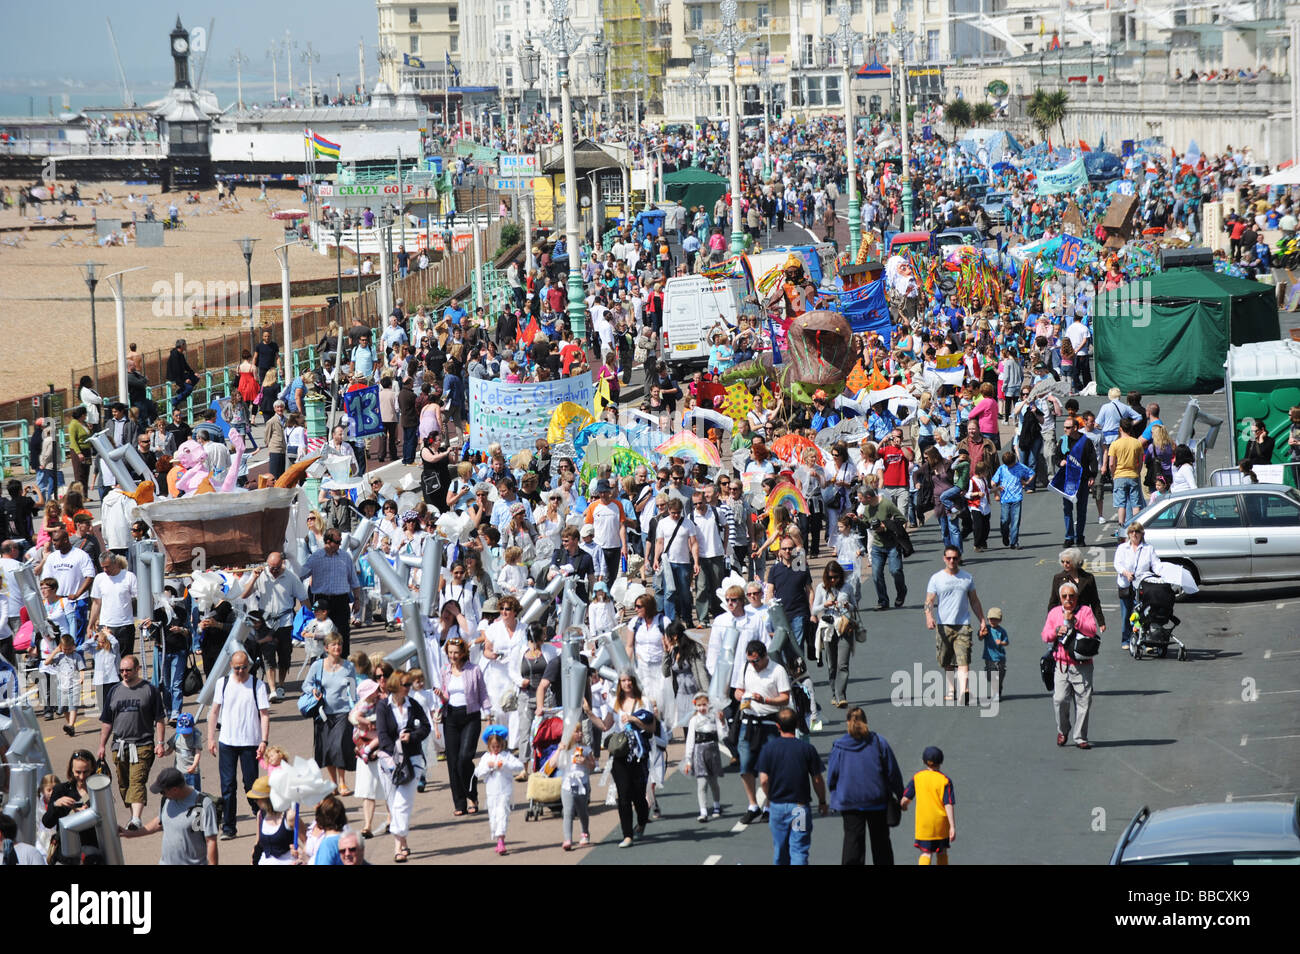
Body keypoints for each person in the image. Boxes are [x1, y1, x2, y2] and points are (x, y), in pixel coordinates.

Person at [97, 655, 168, 830]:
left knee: (137, 781)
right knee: (124, 784)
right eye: (121, 670)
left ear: (137, 669)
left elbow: (159, 719)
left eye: (128, 670)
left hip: (142, 745)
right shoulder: (114, 691)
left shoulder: (149, 690)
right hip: (119, 746)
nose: (124, 673)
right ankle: (133, 815)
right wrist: (101, 745)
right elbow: (107, 721)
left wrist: (160, 742)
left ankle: (136, 818)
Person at [827, 706, 904, 866]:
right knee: (881, 844)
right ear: (866, 722)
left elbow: (832, 775)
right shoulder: (878, 742)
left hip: (849, 801)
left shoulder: (839, 746)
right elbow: (892, 772)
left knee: (852, 843)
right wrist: (901, 794)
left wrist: (835, 794)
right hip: (876, 801)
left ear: (847, 722)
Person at [206, 650, 271, 839]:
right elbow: (214, 712)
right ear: (231, 667)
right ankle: (229, 828)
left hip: (250, 742)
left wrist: (264, 740)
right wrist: (210, 738)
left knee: (250, 785)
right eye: (237, 668)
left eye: (244, 667)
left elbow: (264, 714)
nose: (241, 671)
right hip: (227, 742)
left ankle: (261, 816)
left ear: (248, 666)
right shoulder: (223, 683)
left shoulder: (257, 685)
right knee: (227, 786)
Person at [756, 706, 828, 866]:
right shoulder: (806, 749)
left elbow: (763, 781)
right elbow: (817, 779)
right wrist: (822, 801)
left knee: (780, 850)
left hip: (778, 807)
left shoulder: (768, 749)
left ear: (778, 726)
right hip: (799, 808)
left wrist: (770, 797)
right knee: (799, 850)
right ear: (796, 725)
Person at [732, 640, 791, 825]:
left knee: (770, 768)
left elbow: (785, 697)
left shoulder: (777, 670)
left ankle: (769, 805)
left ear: (764, 656)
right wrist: (740, 695)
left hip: (770, 723)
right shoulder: (745, 668)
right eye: (750, 661)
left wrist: (764, 699)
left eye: (756, 661)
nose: (753, 665)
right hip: (748, 722)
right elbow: (738, 690)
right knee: (745, 766)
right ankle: (752, 805)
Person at [924, 546, 991, 705]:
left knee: (963, 659)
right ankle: (950, 690)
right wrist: (929, 616)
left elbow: (974, 601)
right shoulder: (936, 578)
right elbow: (929, 601)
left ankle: (963, 692)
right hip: (943, 625)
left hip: (963, 625)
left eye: (955, 558)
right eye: (949, 558)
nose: (952, 561)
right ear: (944, 559)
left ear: (959, 558)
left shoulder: (967, 578)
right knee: (947, 661)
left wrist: (982, 620)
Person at [376, 669, 430, 862]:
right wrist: (396, 751)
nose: (409, 688)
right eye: (406, 684)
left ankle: (397, 846)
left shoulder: (413, 704)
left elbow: (426, 727)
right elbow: (382, 736)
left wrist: (411, 737)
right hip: (389, 761)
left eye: (410, 684)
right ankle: (404, 841)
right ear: (395, 686)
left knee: (403, 802)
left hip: (413, 759)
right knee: (393, 804)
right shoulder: (383, 707)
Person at [434, 637, 490, 816]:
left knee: (464, 758)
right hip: (451, 717)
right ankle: (459, 802)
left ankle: (472, 796)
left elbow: (483, 693)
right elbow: (445, 696)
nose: (453, 656)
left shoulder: (474, 670)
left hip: (470, 716)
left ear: (463, 653)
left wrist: (488, 715)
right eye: (450, 653)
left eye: (456, 653)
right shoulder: (445, 671)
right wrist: (440, 697)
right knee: (452, 762)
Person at [119, 767, 219, 865]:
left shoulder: (201, 805)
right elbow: (159, 823)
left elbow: (210, 841)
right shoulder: (167, 800)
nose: (162, 795)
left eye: (163, 792)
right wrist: (130, 833)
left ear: (175, 790)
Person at [1042, 581, 1098, 748]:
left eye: (1072, 596)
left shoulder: (1085, 611)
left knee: (1084, 701)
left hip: (1082, 664)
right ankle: (1063, 729)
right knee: (1059, 699)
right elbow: (1045, 635)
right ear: (1060, 598)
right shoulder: (1054, 613)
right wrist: (1055, 631)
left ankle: (1080, 737)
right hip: (1062, 664)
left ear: (1077, 597)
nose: (1068, 599)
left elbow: (1092, 630)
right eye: (1065, 596)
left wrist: (1076, 621)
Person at [302, 633, 358, 795]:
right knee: (326, 750)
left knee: (339, 746)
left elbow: (353, 691)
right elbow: (306, 685)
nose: (337, 647)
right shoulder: (317, 666)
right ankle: (333, 783)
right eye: (333, 644)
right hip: (323, 714)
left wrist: (356, 708)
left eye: (339, 644)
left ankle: (342, 783)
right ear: (326, 648)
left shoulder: (349, 666)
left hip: (343, 713)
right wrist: (313, 691)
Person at [301, 529, 363, 656]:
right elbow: (301, 575)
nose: (340, 544)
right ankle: (322, 663)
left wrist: (357, 600)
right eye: (337, 542)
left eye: (340, 541)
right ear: (328, 542)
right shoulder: (316, 557)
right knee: (322, 633)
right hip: (322, 601)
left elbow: (354, 581)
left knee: (342, 635)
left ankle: (343, 664)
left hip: (341, 600)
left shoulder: (345, 557)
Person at [812, 561, 859, 708]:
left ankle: (841, 695)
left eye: (836, 577)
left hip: (844, 627)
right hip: (828, 628)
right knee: (832, 664)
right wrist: (824, 605)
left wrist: (847, 606)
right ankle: (834, 692)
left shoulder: (847, 587)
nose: (833, 580)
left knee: (843, 664)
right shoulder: (821, 588)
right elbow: (814, 610)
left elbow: (855, 606)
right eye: (831, 577)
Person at [899, 745, 956, 866]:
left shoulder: (917, 777)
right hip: (941, 824)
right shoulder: (945, 780)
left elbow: (905, 799)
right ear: (941, 761)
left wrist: (904, 806)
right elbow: (948, 804)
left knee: (926, 853)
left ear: (924, 761)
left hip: (924, 825)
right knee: (942, 852)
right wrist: (952, 826)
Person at [474, 724, 524, 855]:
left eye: (498, 746)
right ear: (489, 746)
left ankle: (501, 840)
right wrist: (489, 767)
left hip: (504, 792)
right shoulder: (486, 757)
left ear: (502, 745)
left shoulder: (506, 756)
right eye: (493, 747)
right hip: (491, 793)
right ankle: (498, 839)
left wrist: (504, 765)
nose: (496, 749)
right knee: (493, 816)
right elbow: (478, 772)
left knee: (502, 813)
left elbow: (519, 766)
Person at [1114, 523, 1165, 650]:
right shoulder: (1122, 548)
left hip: (1142, 586)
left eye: (1137, 531)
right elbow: (1117, 564)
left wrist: (1162, 572)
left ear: (1142, 534)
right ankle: (1126, 639)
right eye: (1131, 532)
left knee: (1143, 614)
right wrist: (1125, 573)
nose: (1134, 534)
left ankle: (1145, 641)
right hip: (1126, 584)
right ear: (1128, 534)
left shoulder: (1148, 548)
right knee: (1127, 614)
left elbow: (1156, 563)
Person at [859, 484, 908, 611]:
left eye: (861, 498)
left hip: (892, 545)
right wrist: (856, 520)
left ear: (868, 497)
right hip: (877, 545)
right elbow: (865, 524)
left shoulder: (886, 504)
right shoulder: (867, 508)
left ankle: (901, 591)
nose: (859, 501)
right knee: (876, 574)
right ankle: (883, 601)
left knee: (895, 571)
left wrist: (885, 527)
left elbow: (901, 519)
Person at [681, 691, 726, 822]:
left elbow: (723, 735)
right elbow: (690, 741)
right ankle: (703, 811)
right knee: (701, 783)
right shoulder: (694, 720)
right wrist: (688, 759)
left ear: (709, 705)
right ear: (695, 705)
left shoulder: (713, 718)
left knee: (713, 782)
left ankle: (717, 806)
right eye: (699, 705)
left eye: (704, 705)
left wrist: (722, 722)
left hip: (712, 751)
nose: (701, 708)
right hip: (699, 753)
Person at [1054, 416, 1098, 547]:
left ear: (1075, 428)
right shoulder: (1063, 441)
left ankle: (1080, 537)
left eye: (1067, 427)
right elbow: (1057, 457)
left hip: (1082, 479)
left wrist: (1092, 475)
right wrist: (1060, 462)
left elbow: (1093, 459)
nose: (1065, 430)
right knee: (1067, 509)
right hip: (1068, 480)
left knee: (1081, 510)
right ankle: (1069, 537)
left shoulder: (1086, 441)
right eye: (1064, 427)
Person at [980, 607, 1009, 699]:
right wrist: (981, 634)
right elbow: (980, 638)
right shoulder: (986, 629)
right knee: (990, 675)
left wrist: (1001, 642)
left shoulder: (1002, 631)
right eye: (991, 619)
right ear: (988, 619)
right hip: (988, 657)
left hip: (999, 658)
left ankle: (996, 692)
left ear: (1000, 620)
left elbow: (1007, 642)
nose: (993, 621)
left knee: (997, 675)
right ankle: (996, 689)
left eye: (995, 619)